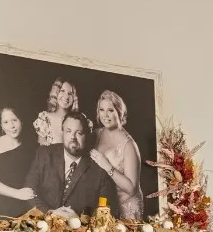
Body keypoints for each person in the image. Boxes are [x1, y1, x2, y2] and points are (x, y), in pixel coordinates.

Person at [26, 110, 119, 217]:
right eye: (68, 131)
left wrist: (79, 220)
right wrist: (49, 213)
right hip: (42, 223)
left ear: (86, 135)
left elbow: (105, 207)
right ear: (62, 133)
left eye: (79, 133)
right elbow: (29, 191)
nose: (73, 137)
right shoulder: (44, 154)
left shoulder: (99, 167)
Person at [88, 90, 145, 220]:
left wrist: (107, 166)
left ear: (119, 112)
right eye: (102, 110)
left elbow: (132, 188)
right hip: (105, 203)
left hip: (126, 206)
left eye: (110, 110)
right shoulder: (97, 134)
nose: (105, 115)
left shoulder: (129, 145)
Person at [0, 105, 36, 206]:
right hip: (2, 202)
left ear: (21, 121)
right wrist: (17, 194)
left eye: (14, 120)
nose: (11, 126)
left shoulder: (30, 144)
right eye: (6, 122)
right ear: (1, 125)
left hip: (27, 201)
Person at [32, 80, 79, 148]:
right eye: (62, 91)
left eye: (70, 93)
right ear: (55, 93)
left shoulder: (78, 120)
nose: (66, 96)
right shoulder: (45, 118)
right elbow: (41, 149)